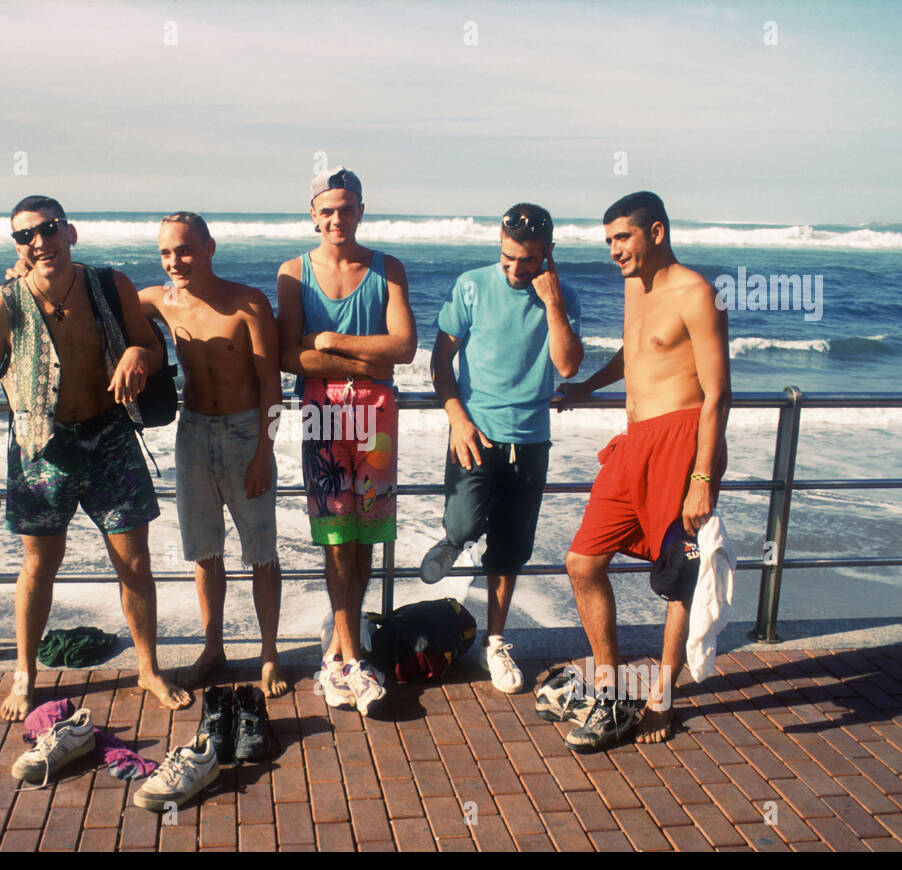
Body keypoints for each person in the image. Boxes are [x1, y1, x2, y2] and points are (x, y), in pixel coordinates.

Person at [0, 195, 193, 720]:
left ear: (70, 232)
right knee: (40, 566)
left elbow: (154, 354)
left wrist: (139, 352)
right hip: (43, 448)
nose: (38, 242)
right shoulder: (3, 305)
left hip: (111, 438)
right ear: (18, 245)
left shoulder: (110, 286)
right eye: (26, 235)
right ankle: (24, 675)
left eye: (47, 229)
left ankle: (148, 668)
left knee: (134, 563)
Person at [556, 191, 731, 751]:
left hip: (683, 444)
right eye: (608, 241)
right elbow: (635, 355)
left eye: (622, 238)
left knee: (676, 574)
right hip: (634, 444)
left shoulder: (699, 293)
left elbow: (718, 395)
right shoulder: (635, 286)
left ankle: (662, 699)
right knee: (583, 561)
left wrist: (703, 477)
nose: (614, 251)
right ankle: (608, 688)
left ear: (656, 231)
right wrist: (587, 386)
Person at [420, 203, 583, 693]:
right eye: (507, 257)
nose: (515, 269)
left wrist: (552, 302)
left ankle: (495, 641)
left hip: (530, 439)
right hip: (476, 431)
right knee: (465, 523)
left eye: (527, 260)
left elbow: (569, 366)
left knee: (511, 549)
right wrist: (457, 420)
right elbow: (440, 360)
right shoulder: (472, 284)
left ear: (548, 253)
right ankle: (454, 540)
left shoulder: (564, 294)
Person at [277, 167, 417, 716]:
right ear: (313, 213)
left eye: (347, 207)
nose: (337, 218)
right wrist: (366, 353)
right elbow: (291, 356)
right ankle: (350, 662)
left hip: (377, 410)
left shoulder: (390, 268)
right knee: (336, 537)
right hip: (323, 410)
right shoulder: (294, 273)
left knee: (364, 535)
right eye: (327, 209)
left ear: (362, 210)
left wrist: (332, 340)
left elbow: (403, 348)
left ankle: (340, 647)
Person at [135, 211, 287, 698]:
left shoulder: (248, 302)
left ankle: (269, 654)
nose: (174, 261)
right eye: (165, 252)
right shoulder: (160, 300)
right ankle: (213, 649)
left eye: (184, 249)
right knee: (205, 552)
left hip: (246, 433)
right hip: (193, 433)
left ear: (209, 248)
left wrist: (265, 450)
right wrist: (133, 354)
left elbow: (271, 384)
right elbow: (102, 304)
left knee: (262, 553)